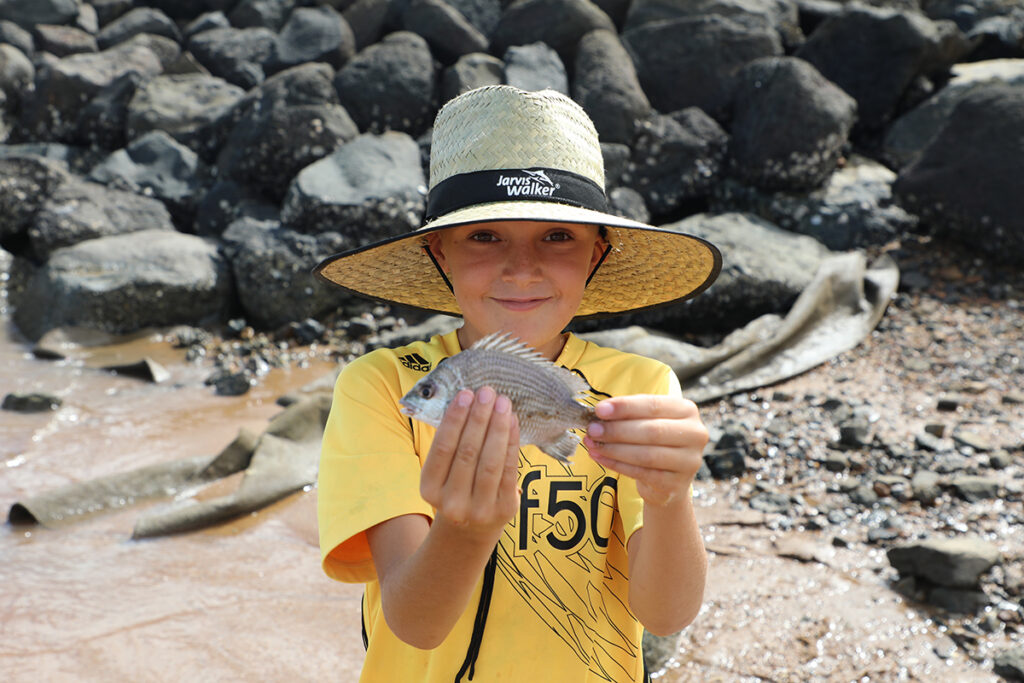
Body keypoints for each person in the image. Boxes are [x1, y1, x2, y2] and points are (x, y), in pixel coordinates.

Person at [314, 85, 722, 682]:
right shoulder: (380, 387)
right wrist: (465, 529)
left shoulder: (640, 388)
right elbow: (415, 623)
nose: (522, 269)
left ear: (596, 254)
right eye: (485, 235)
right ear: (440, 252)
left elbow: (666, 615)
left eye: (558, 236)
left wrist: (669, 495)